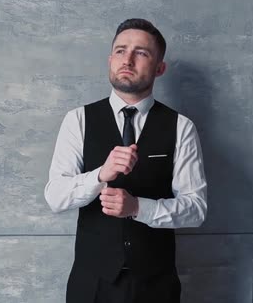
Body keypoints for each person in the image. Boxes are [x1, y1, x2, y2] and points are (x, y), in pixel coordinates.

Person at [44, 18, 207, 303]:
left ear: (160, 68)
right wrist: (99, 175)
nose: (128, 59)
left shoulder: (181, 127)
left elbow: (195, 209)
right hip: (91, 284)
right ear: (110, 59)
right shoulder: (78, 120)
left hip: (156, 286)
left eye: (141, 53)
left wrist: (137, 208)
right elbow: (55, 197)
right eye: (120, 51)